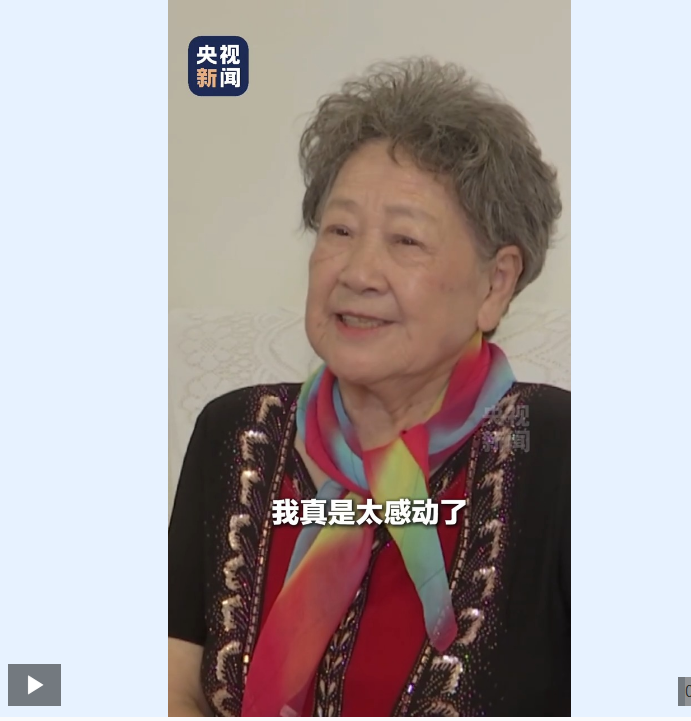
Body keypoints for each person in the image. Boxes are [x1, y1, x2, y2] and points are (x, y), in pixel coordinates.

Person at [168, 56, 569, 717]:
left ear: (495, 283)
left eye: (405, 240)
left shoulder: (555, 448)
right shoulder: (238, 431)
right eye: (340, 230)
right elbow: (172, 685)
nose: (357, 271)